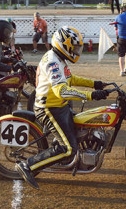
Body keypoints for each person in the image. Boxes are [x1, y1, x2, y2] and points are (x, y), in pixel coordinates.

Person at [15, 26, 109, 190]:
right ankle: (28, 165)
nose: (76, 51)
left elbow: (70, 79)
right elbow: (62, 91)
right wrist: (90, 95)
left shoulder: (58, 58)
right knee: (68, 148)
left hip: (59, 106)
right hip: (49, 109)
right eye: (74, 47)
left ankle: (65, 158)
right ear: (63, 45)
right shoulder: (53, 62)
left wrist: (95, 84)